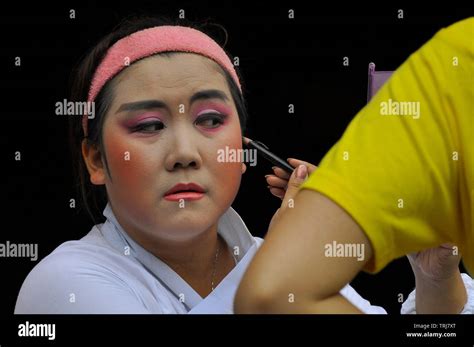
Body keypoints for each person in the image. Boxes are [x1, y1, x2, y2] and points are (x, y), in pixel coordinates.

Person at [14, 17, 473, 314]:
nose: (184, 153)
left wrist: (436, 280)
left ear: (244, 144)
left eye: (211, 119)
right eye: (149, 125)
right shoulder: (63, 284)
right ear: (95, 159)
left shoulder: (264, 258)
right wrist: (283, 266)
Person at [234, 18, 474, 313]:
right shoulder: (460, 57)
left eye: (210, 120)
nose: (185, 152)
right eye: (157, 126)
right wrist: (435, 278)